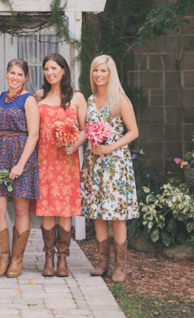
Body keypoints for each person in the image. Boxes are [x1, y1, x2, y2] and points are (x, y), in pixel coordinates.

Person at [80, 55, 139, 282]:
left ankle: (120, 266)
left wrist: (111, 147)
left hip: (115, 165)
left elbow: (133, 131)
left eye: (103, 71)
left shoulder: (120, 99)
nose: (99, 75)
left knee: (116, 215)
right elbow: (86, 130)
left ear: (110, 73)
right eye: (95, 71)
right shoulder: (90, 99)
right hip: (94, 164)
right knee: (97, 213)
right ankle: (102, 261)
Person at [29, 53, 87, 278]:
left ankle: (63, 257)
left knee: (65, 209)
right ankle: (48, 257)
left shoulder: (77, 97)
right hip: (44, 159)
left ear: (64, 70)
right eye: (46, 69)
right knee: (47, 208)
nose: (50, 72)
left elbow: (85, 129)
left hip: (66, 160)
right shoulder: (39, 96)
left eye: (54, 68)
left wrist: (75, 145)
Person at [0, 58, 40, 278]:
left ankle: (17, 259)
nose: (15, 77)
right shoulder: (0, 97)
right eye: (12, 73)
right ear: (7, 74)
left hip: (22, 156)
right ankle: (3, 257)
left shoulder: (28, 100)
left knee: (20, 209)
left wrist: (20, 164)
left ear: (26, 77)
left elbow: (34, 134)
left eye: (20, 74)